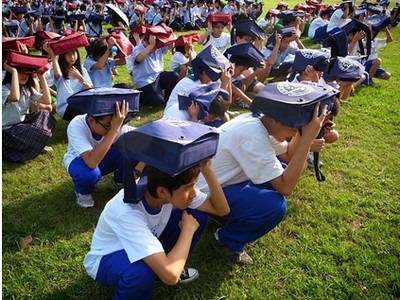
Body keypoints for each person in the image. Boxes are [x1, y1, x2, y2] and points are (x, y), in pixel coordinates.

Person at [83, 121, 230, 299]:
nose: (193, 193)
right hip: (108, 257)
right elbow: (171, 277)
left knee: (197, 215)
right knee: (141, 272)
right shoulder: (127, 211)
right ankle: (157, 269)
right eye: (188, 187)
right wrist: (188, 231)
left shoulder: (163, 186)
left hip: (144, 240)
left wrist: (207, 170)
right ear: (163, 192)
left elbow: (221, 210)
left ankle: (162, 265)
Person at [196, 82, 335, 265]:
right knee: (273, 205)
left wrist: (304, 135)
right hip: (204, 194)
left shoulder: (258, 121)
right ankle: (227, 241)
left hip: (221, 183)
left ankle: (224, 214)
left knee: (281, 170)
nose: (294, 134)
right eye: (294, 129)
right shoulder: (253, 135)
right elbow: (286, 187)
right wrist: (306, 141)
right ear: (277, 121)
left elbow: (288, 155)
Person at [64, 95, 140, 208]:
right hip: (81, 161)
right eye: (107, 126)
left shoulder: (114, 123)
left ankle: (119, 180)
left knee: (136, 146)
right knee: (88, 174)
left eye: (118, 124)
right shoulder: (77, 125)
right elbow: (91, 162)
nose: (115, 128)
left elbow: (144, 139)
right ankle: (82, 192)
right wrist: (113, 129)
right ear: (91, 120)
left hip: (104, 158)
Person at [2, 59, 56, 162]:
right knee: (38, 132)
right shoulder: (4, 89)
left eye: (27, 73)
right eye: (20, 72)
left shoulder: (27, 89)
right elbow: (15, 97)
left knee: (44, 114)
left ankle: (36, 145)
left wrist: (41, 77)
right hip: (7, 131)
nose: (24, 76)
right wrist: (13, 72)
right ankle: (34, 146)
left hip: (20, 125)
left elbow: (47, 100)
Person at [43, 39, 93, 121]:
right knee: (80, 109)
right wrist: (53, 55)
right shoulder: (58, 70)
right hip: (66, 107)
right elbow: (58, 75)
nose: (72, 57)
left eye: (74, 53)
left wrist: (79, 77)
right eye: (68, 54)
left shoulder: (81, 69)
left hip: (81, 103)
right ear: (63, 56)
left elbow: (90, 88)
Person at [128, 34, 180, 106]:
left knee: (174, 76)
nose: (155, 49)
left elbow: (170, 46)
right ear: (145, 42)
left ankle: (169, 99)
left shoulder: (157, 46)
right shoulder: (138, 48)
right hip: (145, 81)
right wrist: (151, 46)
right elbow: (138, 59)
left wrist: (170, 37)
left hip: (157, 75)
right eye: (154, 46)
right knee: (157, 101)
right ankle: (141, 96)